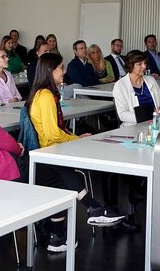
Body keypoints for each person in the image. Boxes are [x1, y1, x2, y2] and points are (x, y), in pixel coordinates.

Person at [27, 53, 126, 249]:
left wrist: (74, 138)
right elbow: (52, 134)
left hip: (49, 152)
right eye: (61, 68)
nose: (64, 72)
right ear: (50, 70)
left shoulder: (43, 93)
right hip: (48, 151)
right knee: (62, 171)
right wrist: (76, 139)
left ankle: (60, 235)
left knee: (61, 179)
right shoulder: (45, 96)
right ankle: (93, 208)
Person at [113, 51, 160, 126]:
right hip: (133, 127)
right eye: (139, 64)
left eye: (145, 63)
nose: (144, 66)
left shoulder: (151, 80)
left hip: (157, 123)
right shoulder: (120, 85)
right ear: (130, 65)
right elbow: (122, 114)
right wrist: (146, 117)